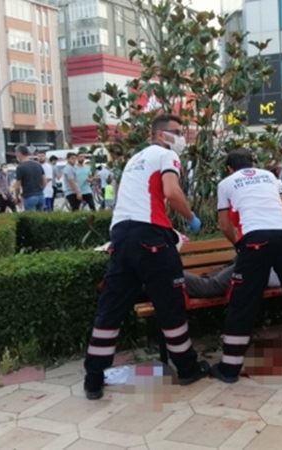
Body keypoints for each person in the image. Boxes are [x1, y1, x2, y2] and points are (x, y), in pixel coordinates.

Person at [83, 114, 207, 400]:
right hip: (150, 239)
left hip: (121, 237)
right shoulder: (164, 155)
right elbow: (171, 192)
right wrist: (191, 217)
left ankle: (93, 378)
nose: (182, 137)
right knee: (171, 304)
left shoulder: (134, 159)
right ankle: (188, 369)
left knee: (110, 309)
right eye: (177, 132)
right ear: (161, 135)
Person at [209, 149, 282, 384]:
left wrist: (239, 245)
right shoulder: (270, 177)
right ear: (252, 162)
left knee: (243, 300)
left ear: (229, 168)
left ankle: (230, 368)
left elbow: (224, 224)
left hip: (255, 241)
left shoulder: (226, 183)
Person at [184, 230, 282, 298]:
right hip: (258, 266)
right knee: (210, 287)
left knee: (210, 281)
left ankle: (174, 278)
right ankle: (167, 275)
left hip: (258, 260)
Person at [14, 145, 46, 212]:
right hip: (41, 196)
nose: (16, 155)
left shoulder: (20, 167)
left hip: (29, 196)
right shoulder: (38, 164)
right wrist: (40, 190)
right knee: (40, 220)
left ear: (19, 153)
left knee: (31, 220)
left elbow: (17, 186)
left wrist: (17, 197)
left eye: (16, 153)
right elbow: (44, 181)